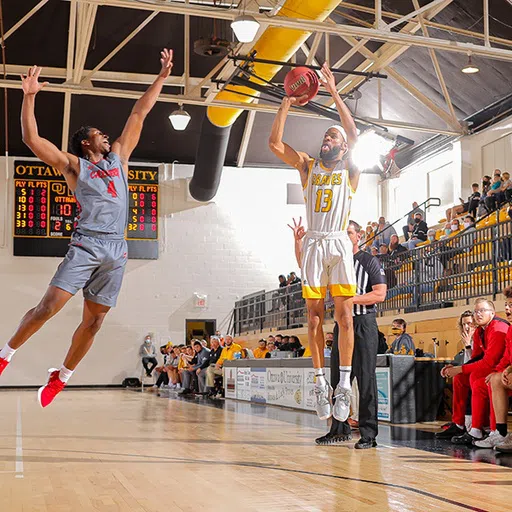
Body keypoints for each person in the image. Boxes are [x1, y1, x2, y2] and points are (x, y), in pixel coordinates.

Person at [0, 51, 174, 407]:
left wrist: (161, 77)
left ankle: (61, 376)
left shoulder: (121, 158)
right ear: (86, 143)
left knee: (94, 323)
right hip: (87, 246)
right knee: (48, 308)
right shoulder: (74, 166)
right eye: (99, 134)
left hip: (117, 250)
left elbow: (139, 112)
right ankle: (5, 354)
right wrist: (29, 96)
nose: (106, 136)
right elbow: (32, 140)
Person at [271, 63, 360, 421]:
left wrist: (335, 93)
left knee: (345, 318)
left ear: (341, 146)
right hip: (314, 243)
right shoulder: (307, 166)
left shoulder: (349, 169)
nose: (329, 138)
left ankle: (343, 386)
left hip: (338, 241)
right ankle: (320, 384)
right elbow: (275, 143)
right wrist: (287, 102)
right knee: (312, 319)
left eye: (333, 136)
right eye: (326, 134)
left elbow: (354, 136)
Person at [315, 220, 387, 448]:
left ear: (358, 236)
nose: (345, 238)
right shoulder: (335, 264)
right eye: (342, 235)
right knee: (337, 378)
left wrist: (349, 299)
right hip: (341, 326)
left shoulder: (368, 261)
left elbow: (380, 294)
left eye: (349, 234)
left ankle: (369, 434)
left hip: (363, 323)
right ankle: (339, 428)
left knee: (366, 379)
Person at [435, 298, 508, 445]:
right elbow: (476, 358)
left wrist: (460, 368)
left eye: (482, 311)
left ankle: (488, 430)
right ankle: (459, 424)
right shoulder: (480, 331)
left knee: (480, 380)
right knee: (460, 378)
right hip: (496, 368)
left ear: (492, 313)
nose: (478, 314)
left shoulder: (498, 328)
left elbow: (490, 362)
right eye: (476, 311)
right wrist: (455, 370)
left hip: (502, 370)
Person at [474, 288, 512, 450]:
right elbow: (507, 357)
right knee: (495, 379)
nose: (508, 309)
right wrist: (502, 370)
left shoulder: (498, 328)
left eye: (511, 305)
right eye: (506, 305)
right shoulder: (511, 329)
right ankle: (501, 433)